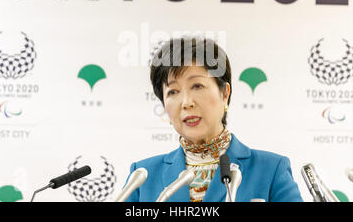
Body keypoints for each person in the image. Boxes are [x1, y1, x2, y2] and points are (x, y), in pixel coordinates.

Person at [123, 37, 303, 202]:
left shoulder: (270, 170)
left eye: (197, 86)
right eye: (173, 92)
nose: (186, 103)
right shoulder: (142, 177)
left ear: (225, 94)